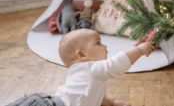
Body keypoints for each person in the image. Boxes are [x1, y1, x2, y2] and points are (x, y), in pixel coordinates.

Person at [6, 29, 155, 106]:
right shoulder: (92, 69)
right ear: (82, 55)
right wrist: (139, 50)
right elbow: (116, 64)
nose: (105, 46)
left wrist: (112, 102)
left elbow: (91, 93)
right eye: (98, 43)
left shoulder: (84, 73)